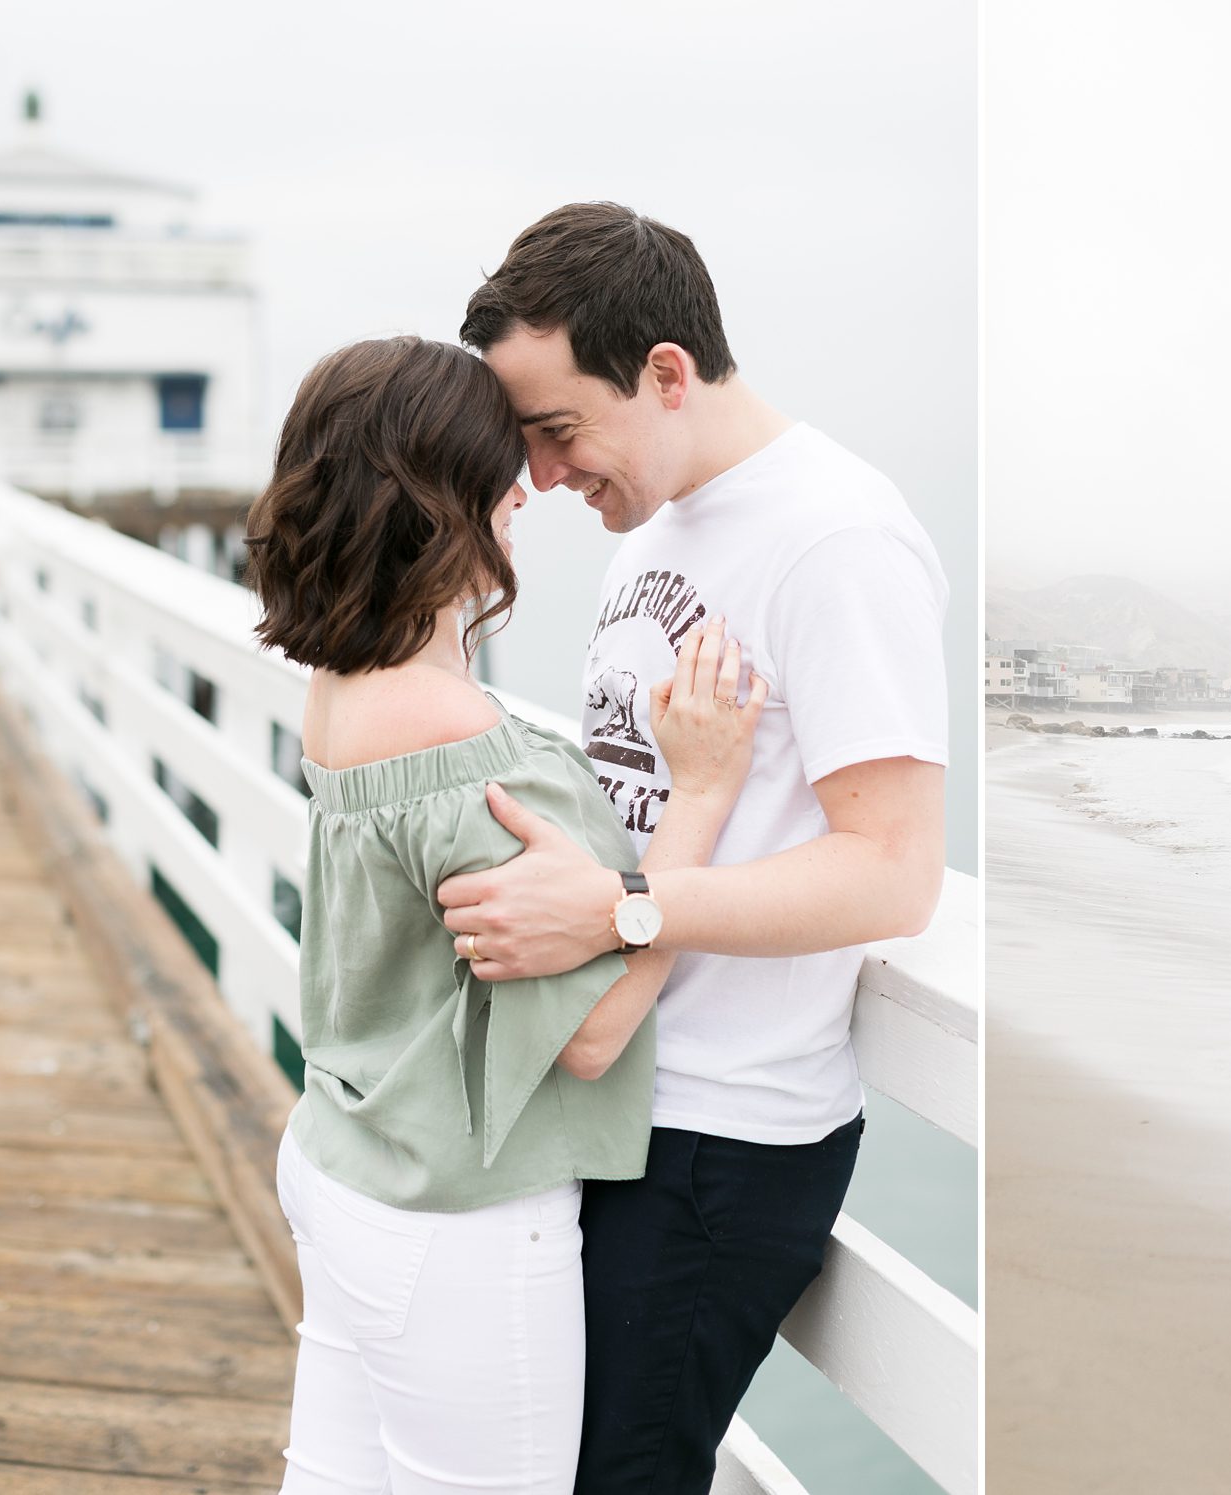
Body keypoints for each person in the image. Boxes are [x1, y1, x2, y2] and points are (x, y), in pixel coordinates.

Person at [438, 203, 950, 1493]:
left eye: (556, 431)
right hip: (607, 1099)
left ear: (666, 371)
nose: (543, 477)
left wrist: (621, 912)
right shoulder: (654, 526)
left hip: (720, 1139)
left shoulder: (835, 537)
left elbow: (893, 868)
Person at [245, 335, 764, 1493]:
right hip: (457, 1219)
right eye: (500, 470)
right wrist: (706, 795)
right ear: (437, 501)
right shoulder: (456, 740)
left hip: (344, 1164)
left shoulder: (341, 684)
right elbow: (585, 1034)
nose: (526, 491)